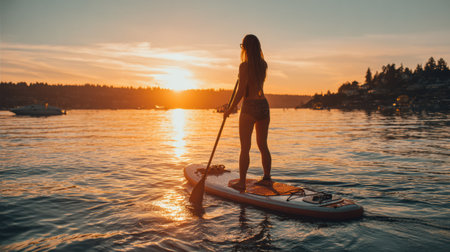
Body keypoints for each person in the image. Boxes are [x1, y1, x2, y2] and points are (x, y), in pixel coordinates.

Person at [224, 34, 272, 192]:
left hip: (250, 106)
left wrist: (229, 109)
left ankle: (242, 183)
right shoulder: (263, 64)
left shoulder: (244, 66)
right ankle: (267, 178)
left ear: (245, 47)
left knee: (245, 147)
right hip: (264, 105)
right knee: (263, 145)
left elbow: (240, 92)